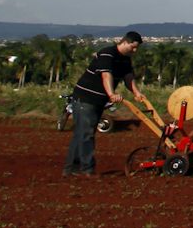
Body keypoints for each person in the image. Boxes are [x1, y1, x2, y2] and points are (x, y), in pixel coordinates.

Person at [63, 31, 149, 177]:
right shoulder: (107, 54)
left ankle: (71, 169)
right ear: (125, 42)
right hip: (85, 98)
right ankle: (87, 169)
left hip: (98, 100)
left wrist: (136, 93)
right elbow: (106, 74)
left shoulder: (125, 60)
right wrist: (111, 94)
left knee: (81, 134)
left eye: (136, 48)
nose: (134, 51)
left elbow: (128, 77)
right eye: (133, 47)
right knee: (86, 134)